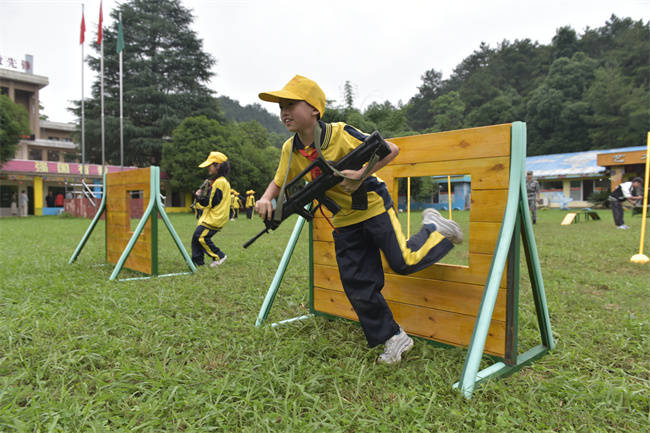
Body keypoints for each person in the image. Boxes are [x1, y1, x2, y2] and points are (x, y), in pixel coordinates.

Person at [255, 75, 463, 364]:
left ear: (315, 109)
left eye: (291, 104)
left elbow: (390, 149)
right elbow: (280, 180)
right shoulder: (290, 149)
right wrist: (266, 198)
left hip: (372, 206)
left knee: (403, 262)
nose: (284, 112)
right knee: (356, 284)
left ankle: (435, 229)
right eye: (281, 107)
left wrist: (361, 174)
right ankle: (394, 337)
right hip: (342, 219)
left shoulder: (340, 133)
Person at [191, 151, 231, 267]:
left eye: (210, 165)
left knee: (201, 237)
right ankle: (198, 263)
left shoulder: (220, 182)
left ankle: (219, 256)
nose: (208, 168)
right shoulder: (219, 182)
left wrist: (199, 197)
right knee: (196, 238)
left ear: (218, 165)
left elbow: (211, 202)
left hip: (215, 217)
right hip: (211, 217)